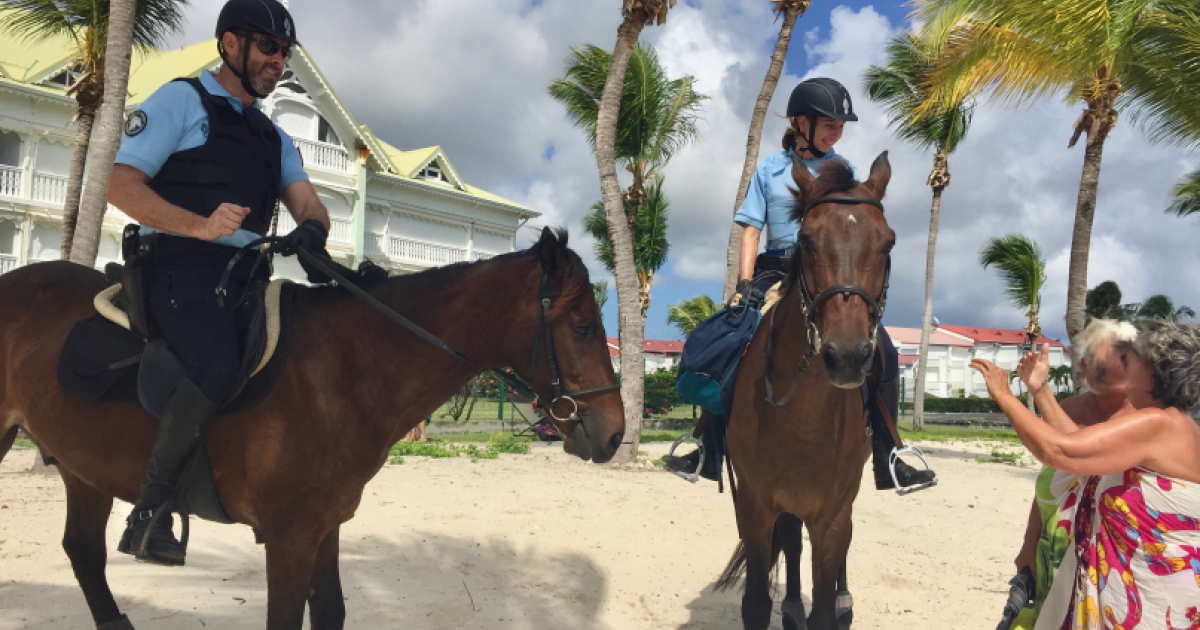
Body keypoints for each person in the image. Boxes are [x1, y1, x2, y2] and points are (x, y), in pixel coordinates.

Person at [107, 0, 336, 566]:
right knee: (217, 362)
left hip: (245, 276)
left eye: (284, 52)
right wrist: (199, 226)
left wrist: (311, 229)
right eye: (268, 47)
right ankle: (150, 511)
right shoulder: (182, 101)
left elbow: (309, 203)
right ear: (230, 44)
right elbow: (120, 183)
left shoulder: (273, 138)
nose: (278, 61)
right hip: (179, 267)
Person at [664, 77, 937, 493]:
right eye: (829, 123)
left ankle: (889, 456)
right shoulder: (770, 171)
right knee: (733, 340)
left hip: (828, 273)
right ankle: (707, 445)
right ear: (802, 123)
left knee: (883, 348)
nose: (836, 132)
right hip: (777, 269)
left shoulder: (845, 173)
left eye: (841, 125)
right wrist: (744, 283)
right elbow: (751, 230)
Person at [973, 322, 1200, 629]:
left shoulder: (1158, 424)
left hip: (1155, 601)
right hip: (1156, 592)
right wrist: (1040, 390)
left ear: (1153, 374)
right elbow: (1084, 456)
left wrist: (1003, 393)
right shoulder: (1174, 424)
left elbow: (1060, 451)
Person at [1004, 319, 1138, 629]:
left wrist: (1029, 393)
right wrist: (1028, 544)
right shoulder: (1070, 408)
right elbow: (1048, 487)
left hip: (1112, 560)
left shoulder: (1142, 418)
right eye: (1093, 356)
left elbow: (1080, 454)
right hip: (1053, 549)